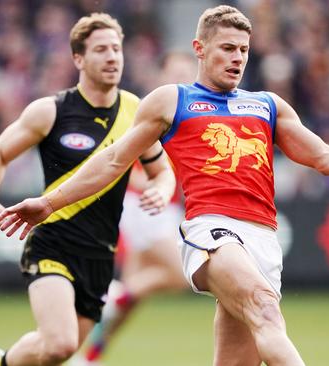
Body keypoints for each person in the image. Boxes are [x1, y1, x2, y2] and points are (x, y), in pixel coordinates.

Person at [0, 5, 329, 366]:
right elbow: (114, 160)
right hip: (212, 231)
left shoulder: (267, 104)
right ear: (200, 48)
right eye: (227, 48)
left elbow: (324, 156)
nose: (237, 58)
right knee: (265, 311)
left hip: (262, 240)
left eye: (244, 50)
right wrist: (49, 201)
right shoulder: (173, 100)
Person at [0, 12, 175, 366]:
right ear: (78, 58)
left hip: (100, 254)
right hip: (54, 242)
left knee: (57, 353)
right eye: (101, 49)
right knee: (60, 344)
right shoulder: (50, 111)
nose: (112, 57)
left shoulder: (137, 112)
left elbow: (162, 170)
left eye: (117, 49)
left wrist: (161, 188)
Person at [72, 51, 197, 366]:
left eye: (187, 72)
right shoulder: (153, 110)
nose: (182, 78)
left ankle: (89, 357)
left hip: (154, 208)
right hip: (149, 207)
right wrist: (151, 185)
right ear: (162, 76)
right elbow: (124, 158)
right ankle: (118, 294)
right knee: (183, 274)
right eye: (176, 72)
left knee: (132, 300)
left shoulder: (187, 112)